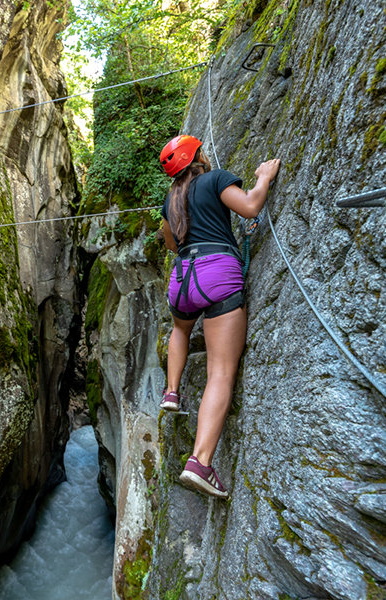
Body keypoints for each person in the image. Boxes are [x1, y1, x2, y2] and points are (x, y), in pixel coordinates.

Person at [159, 134, 280, 499]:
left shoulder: (170, 198)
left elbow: (171, 243)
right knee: (221, 372)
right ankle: (200, 462)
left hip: (182, 278)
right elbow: (250, 206)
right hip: (217, 273)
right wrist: (264, 177)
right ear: (197, 156)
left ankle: (172, 391)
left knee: (181, 329)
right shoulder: (215, 179)